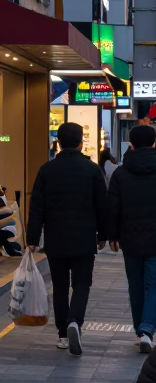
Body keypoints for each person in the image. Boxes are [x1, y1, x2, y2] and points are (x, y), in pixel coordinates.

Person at [26, 121, 108, 355]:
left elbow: (37, 207)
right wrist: (103, 234)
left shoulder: (46, 170)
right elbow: (102, 206)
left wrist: (32, 238)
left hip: (56, 239)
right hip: (84, 238)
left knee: (60, 286)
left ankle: (63, 333)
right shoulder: (92, 170)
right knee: (82, 284)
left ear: (58, 143)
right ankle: (75, 322)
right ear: (81, 142)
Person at [107, 124, 156, 352]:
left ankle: (139, 329)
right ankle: (146, 330)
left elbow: (112, 207)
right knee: (154, 286)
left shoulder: (120, 174)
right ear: (154, 143)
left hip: (129, 238)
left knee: (136, 285)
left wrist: (112, 234)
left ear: (130, 145)